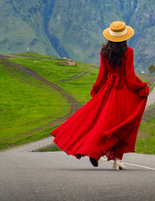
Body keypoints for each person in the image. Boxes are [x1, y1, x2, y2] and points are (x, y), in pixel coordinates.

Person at [51, 21, 149, 170]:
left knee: (100, 124)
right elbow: (129, 77)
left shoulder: (104, 52)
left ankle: (104, 155)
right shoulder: (128, 52)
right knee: (121, 126)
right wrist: (142, 87)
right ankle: (112, 158)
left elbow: (102, 75)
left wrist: (97, 90)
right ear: (124, 36)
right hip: (123, 93)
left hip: (108, 91)